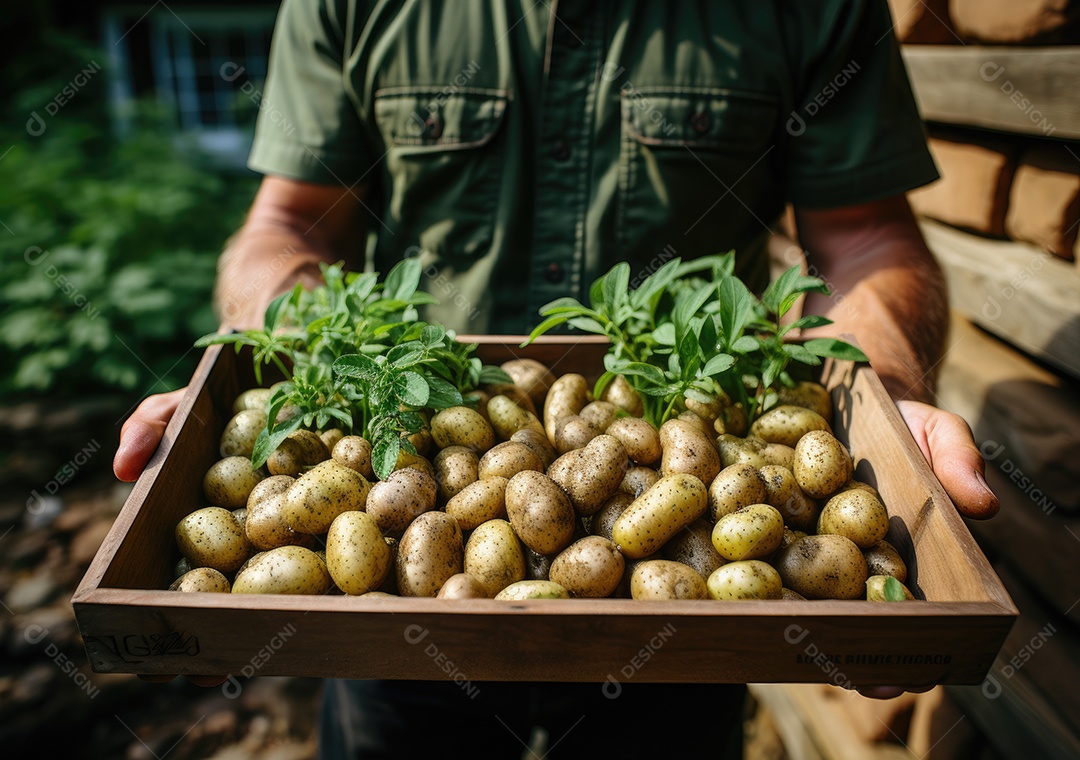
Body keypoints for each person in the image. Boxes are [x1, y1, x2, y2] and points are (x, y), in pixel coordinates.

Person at [115, 1, 1000, 757]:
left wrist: (875, 398)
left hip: (676, 629)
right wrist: (259, 372)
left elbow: (867, 242)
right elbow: (293, 224)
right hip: (397, 612)